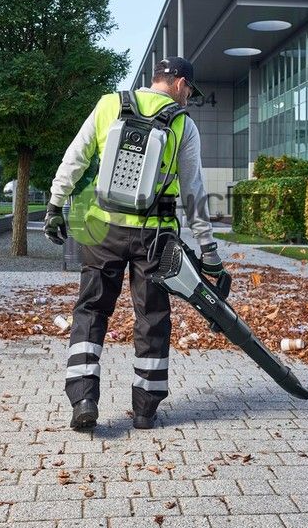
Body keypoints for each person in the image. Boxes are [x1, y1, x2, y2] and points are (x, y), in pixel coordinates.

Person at [44, 57, 224, 430]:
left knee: (91, 311)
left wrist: (55, 205)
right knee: (152, 317)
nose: (189, 97)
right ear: (179, 83)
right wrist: (209, 251)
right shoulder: (183, 124)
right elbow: (193, 192)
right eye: (189, 90)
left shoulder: (109, 104)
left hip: (103, 230)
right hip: (155, 238)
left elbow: (75, 158)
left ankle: (83, 400)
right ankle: (145, 409)